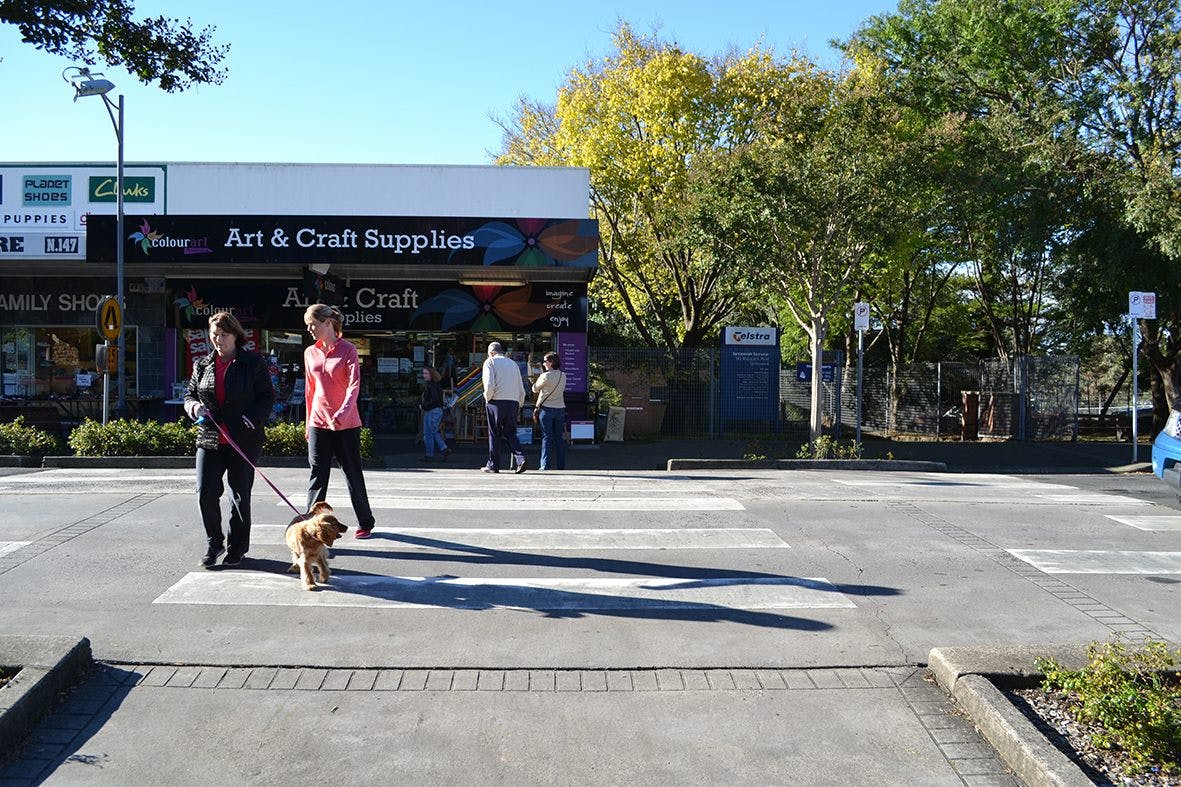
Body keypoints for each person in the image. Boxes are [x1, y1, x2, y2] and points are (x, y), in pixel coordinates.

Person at [183, 311, 276, 568]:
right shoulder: (203, 364)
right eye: (214, 335)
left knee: (239, 495)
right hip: (210, 437)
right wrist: (193, 408)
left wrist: (253, 418)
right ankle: (215, 543)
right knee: (205, 492)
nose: (218, 340)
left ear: (236, 335)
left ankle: (237, 548)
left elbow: (267, 396)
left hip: (243, 438)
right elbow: (190, 395)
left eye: (223, 335)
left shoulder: (252, 362)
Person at [303, 303, 377, 538]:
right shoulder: (309, 352)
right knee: (317, 474)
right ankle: (311, 525)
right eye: (307, 326)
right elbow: (309, 391)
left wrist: (343, 413)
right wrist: (307, 423)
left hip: (346, 424)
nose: (310, 329)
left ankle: (365, 521)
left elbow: (354, 386)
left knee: (352, 472)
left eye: (313, 325)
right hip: (318, 422)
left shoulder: (348, 350)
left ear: (327, 323)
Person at [481, 341, 527, 473]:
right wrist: (520, 402)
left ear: (491, 353)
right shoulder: (513, 364)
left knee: (494, 434)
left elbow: (489, 384)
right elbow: (520, 386)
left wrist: (487, 398)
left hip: (496, 402)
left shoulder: (490, 362)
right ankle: (521, 458)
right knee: (510, 433)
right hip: (513, 402)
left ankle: (493, 465)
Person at [532, 351, 568, 471]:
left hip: (546, 409)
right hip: (560, 409)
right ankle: (561, 465)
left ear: (551, 362)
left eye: (545, 361)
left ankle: (544, 465)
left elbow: (535, 389)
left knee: (546, 437)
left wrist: (535, 381)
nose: (543, 363)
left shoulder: (545, 376)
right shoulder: (563, 375)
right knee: (559, 438)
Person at [419, 364, 451, 462]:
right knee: (431, 432)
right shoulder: (435, 384)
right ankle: (437, 451)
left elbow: (434, 399)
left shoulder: (431, 385)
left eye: (426, 373)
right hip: (435, 410)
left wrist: (424, 406)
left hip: (432, 410)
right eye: (423, 373)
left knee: (430, 432)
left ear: (431, 374)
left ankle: (439, 450)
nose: (424, 375)